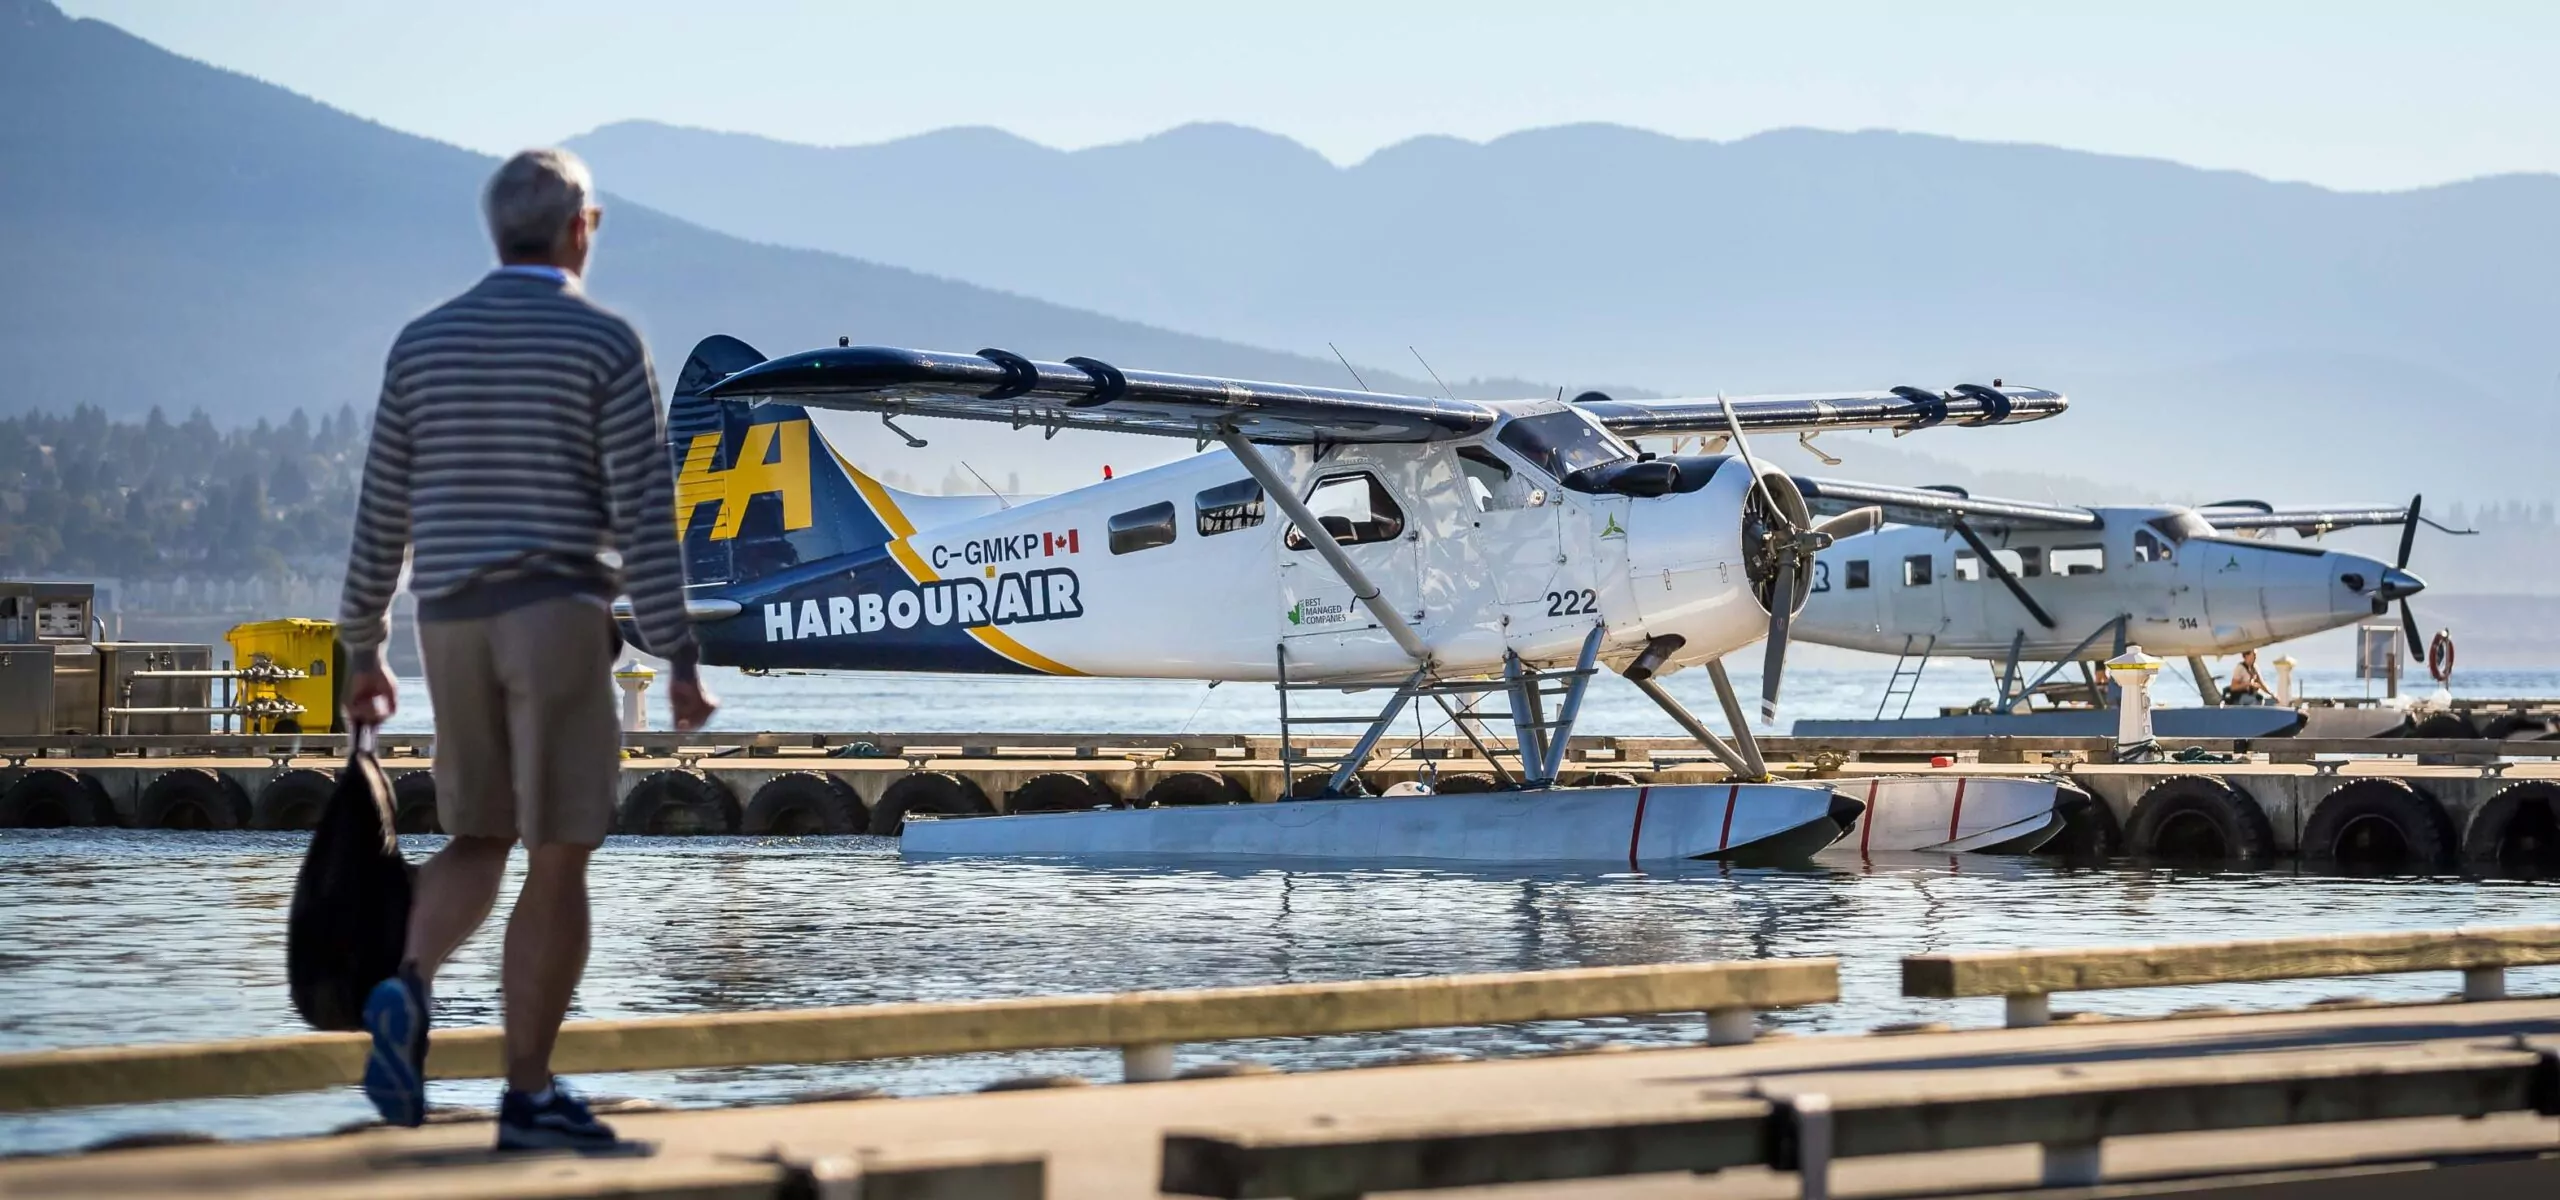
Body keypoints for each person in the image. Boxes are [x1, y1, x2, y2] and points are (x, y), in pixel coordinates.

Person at [336, 148, 716, 1151]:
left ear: (495, 231)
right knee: (559, 854)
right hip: (554, 613)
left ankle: (405, 985)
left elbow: (384, 508)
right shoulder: (601, 340)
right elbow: (643, 511)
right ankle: (530, 1094)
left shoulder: (422, 343)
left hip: (447, 619)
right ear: (580, 227)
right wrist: (676, 655)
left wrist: (360, 646)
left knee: (476, 834)